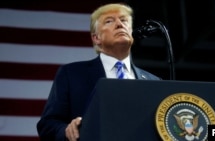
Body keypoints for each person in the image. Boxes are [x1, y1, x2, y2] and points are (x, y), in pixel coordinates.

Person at [36, 3, 161, 141]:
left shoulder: (154, 82)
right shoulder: (71, 74)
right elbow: (47, 125)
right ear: (96, 38)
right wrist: (66, 130)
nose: (120, 24)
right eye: (109, 21)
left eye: (124, 20)